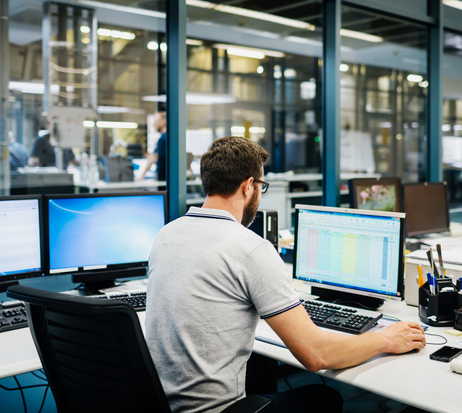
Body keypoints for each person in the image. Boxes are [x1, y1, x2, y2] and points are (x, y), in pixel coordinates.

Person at [145, 137, 426, 413]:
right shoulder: (249, 248)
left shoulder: (166, 234)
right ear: (247, 187)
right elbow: (317, 356)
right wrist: (386, 339)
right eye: (262, 186)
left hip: (160, 403)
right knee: (325, 397)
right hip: (217, 409)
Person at [137, 111, 166, 181]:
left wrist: (141, 176)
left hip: (163, 180)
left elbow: (153, 158)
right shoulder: (167, 138)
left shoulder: (163, 138)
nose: (154, 124)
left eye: (156, 122)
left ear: (163, 122)